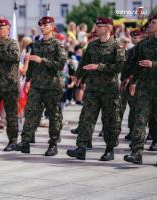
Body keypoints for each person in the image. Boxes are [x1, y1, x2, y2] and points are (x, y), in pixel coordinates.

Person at [67, 17, 125, 161]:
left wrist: (99, 66)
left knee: (109, 120)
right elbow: (84, 63)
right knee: (87, 118)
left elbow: (119, 67)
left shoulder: (117, 46)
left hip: (109, 90)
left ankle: (109, 149)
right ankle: (81, 148)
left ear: (108, 28)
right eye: (96, 26)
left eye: (99, 26)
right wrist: (77, 76)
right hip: (92, 89)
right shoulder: (92, 46)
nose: (96, 29)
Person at [16, 16, 66, 156]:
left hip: (52, 86)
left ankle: (53, 144)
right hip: (36, 85)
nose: (42, 27)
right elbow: (31, 64)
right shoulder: (36, 44)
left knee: (54, 115)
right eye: (41, 25)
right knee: (31, 112)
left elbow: (60, 65)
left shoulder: (58, 44)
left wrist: (42, 60)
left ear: (52, 27)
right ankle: (25, 142)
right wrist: (27, 81)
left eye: (45, 25)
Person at [124, 15, 157, 165]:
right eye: (150, 22)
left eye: (154, 23)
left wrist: (153, 64)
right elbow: (137, 64)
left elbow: (149, 63)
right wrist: (131, 80)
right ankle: (136, 152)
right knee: (140, 118)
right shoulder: (144, 44)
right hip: (145, 88)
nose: (150, 25)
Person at [0, 18, 20, 151]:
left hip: (10, 85)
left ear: (8, 29)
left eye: (2, 28)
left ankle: (12, 141)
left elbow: (15, 56)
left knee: (11, 114)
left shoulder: (12, 43)